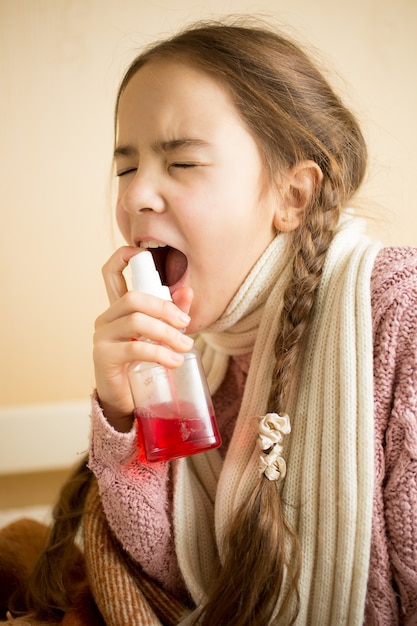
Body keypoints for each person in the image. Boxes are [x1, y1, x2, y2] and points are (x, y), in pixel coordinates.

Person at [3, 17, 417, 626]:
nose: (137, 195)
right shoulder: (205, 351)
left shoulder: (399, 315)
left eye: (184, 163)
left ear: (293, 196)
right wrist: (125, 416)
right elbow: (187, 577)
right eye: (125, 167)